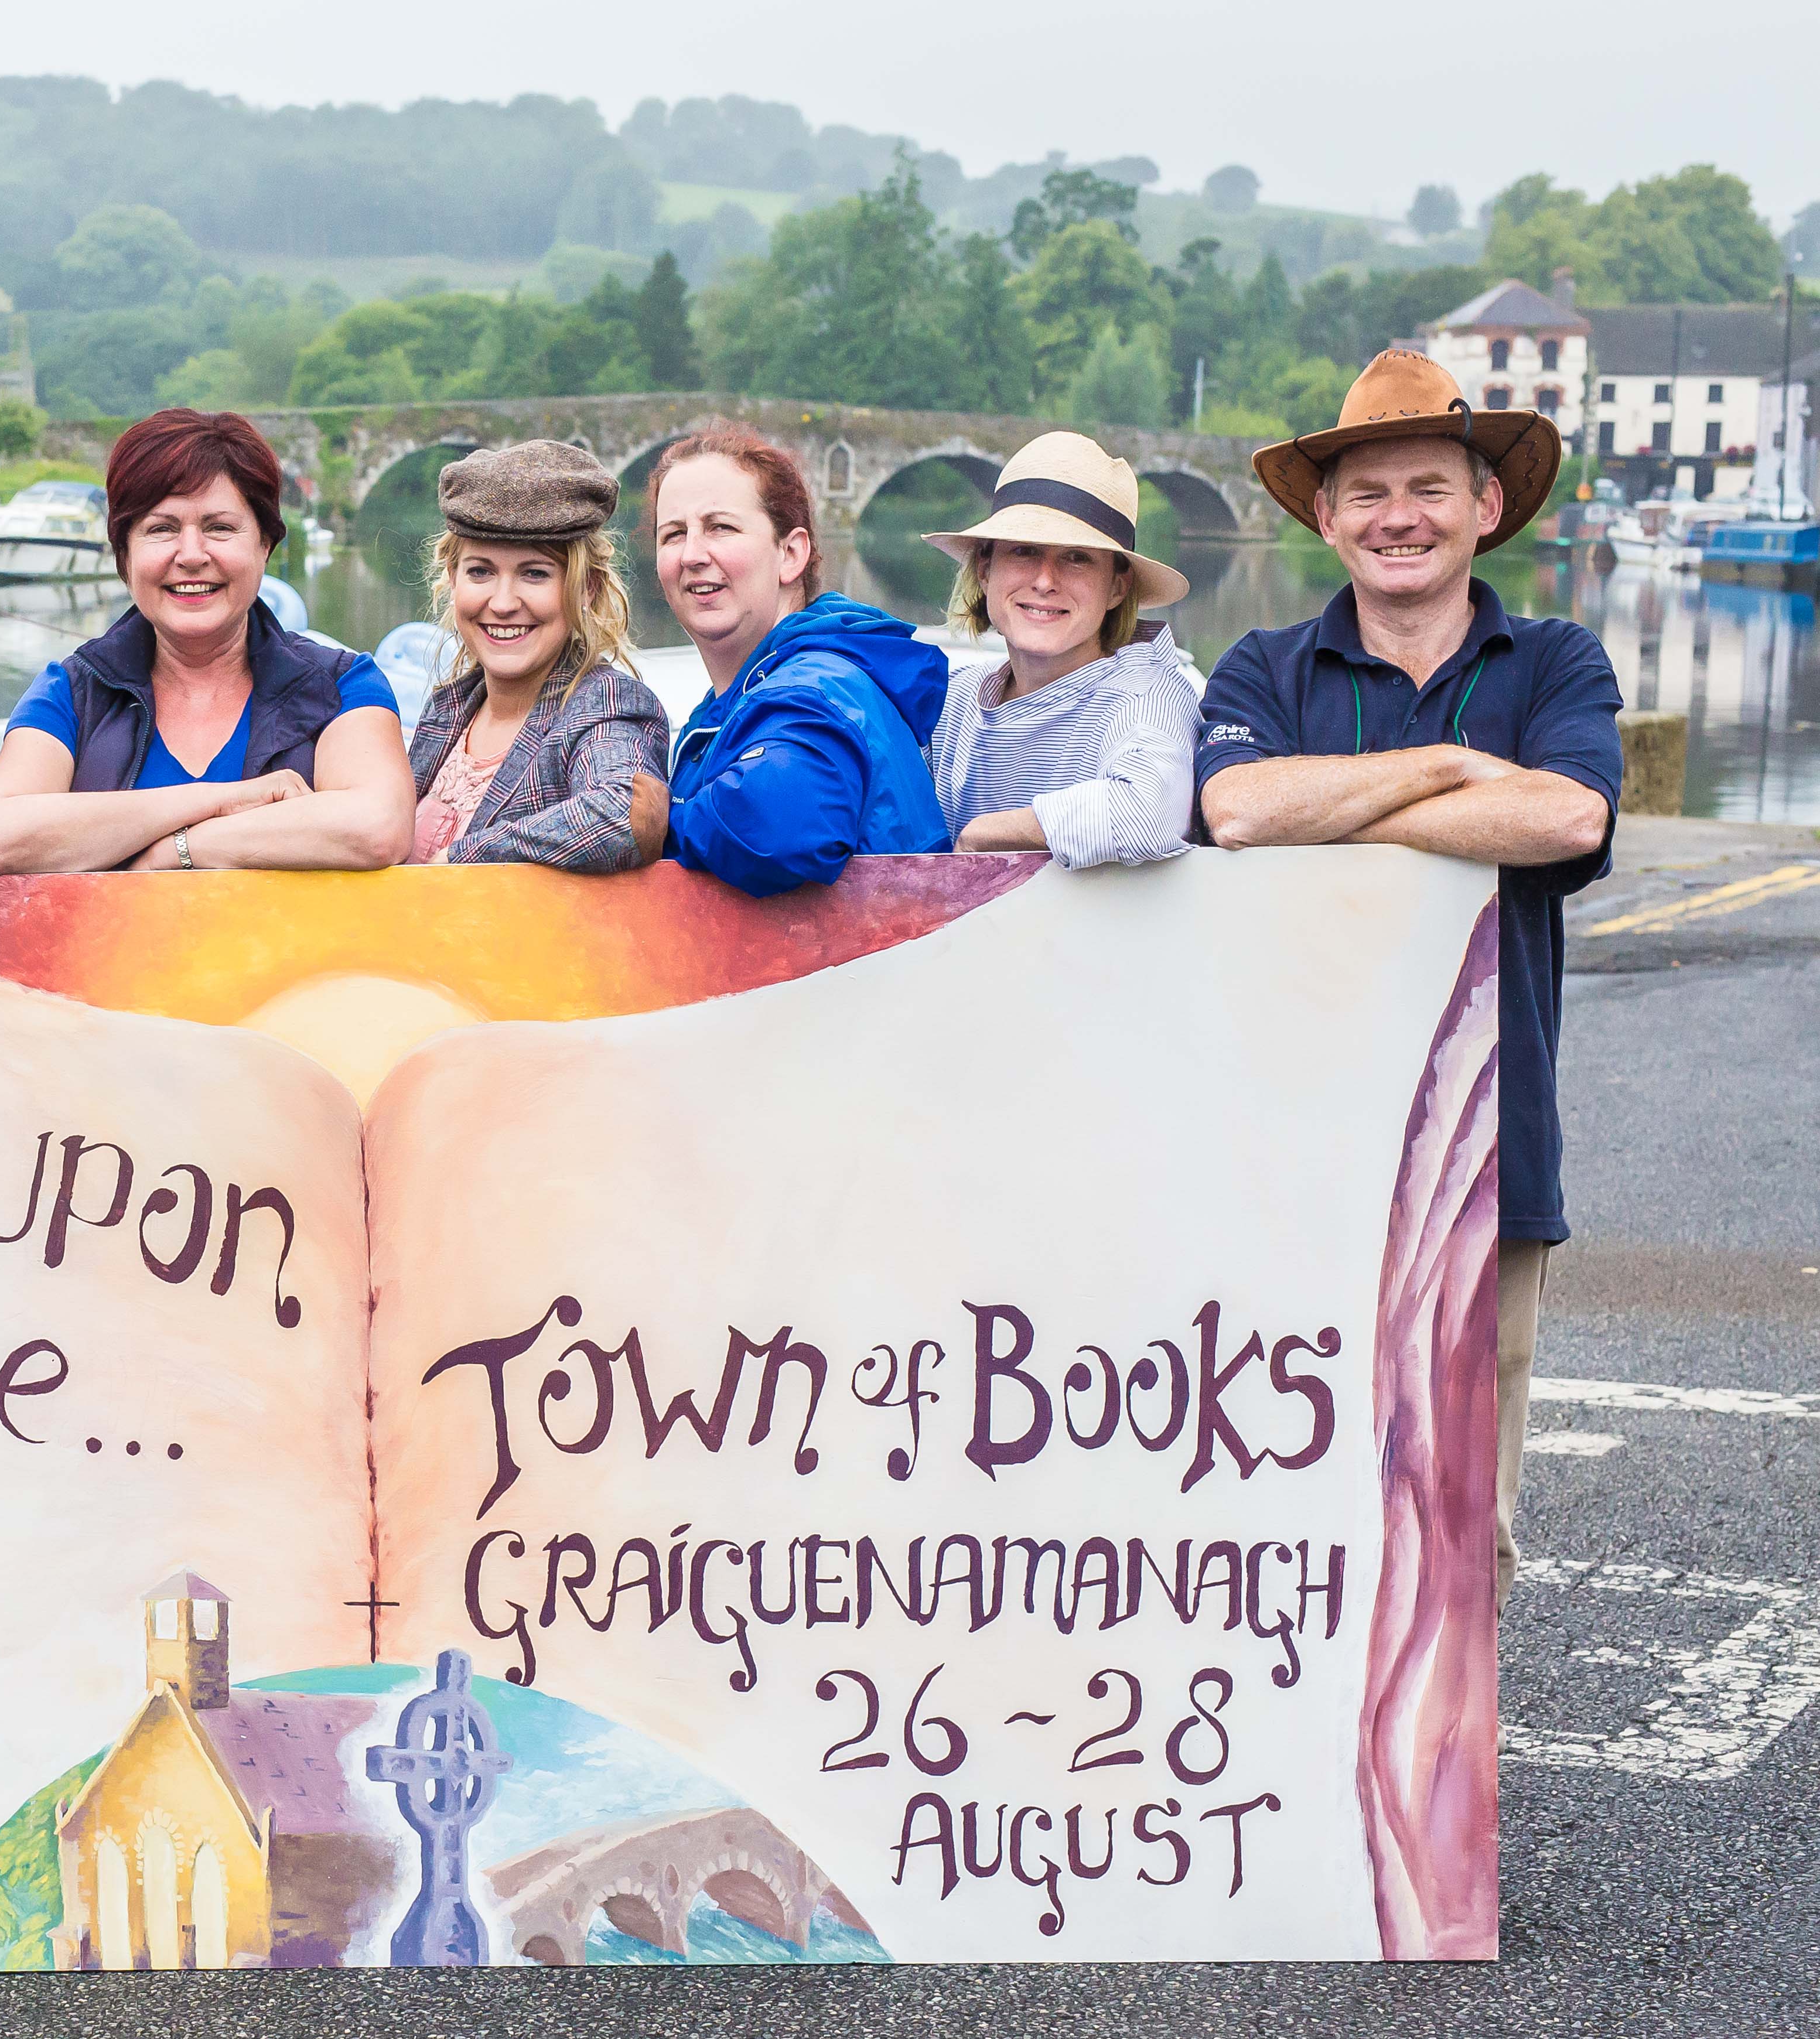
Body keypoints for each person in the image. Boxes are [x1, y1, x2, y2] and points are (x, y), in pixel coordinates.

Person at [1195, 349, 1622, 1610]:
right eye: (1369, 493)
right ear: (1325, 519)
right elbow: (1237, 811)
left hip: (1488, 1153)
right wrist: (1455, 768)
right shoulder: (1262, 668)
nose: (1400, 519)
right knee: (1275, 1514)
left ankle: (1441, 1744)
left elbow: (1568, 819)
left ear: (1486, 506)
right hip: (1284, 1152)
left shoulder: (1557, 662)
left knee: (1459, 1519)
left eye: (1429, 488)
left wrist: (1342, 804)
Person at [0, 408, 412, 873]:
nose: (193, 555)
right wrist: (219, 800)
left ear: (264, 546)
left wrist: (179, 850)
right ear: (124, 557)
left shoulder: (342, 685)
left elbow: (377, 827)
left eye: (220, 528)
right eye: (162, 529)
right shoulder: (73, 693)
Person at [648, 424, 950, 894]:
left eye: (721, 527)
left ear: (790, 554)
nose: (691, 554)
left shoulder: (817, 687)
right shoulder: (741, 697)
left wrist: (655, 820)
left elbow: (780, 825)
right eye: (673, 534)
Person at [920, 431, 1203, 866]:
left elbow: (1149, 813)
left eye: (1077, 557)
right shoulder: (951, 699)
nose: (1045, 581)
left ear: (1117, 587)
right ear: (986, 569)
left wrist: (982, 835)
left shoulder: (1149, 696)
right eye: (1025, 550)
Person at [404, 440, 668, 870]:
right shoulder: (448, 708)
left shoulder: (606, 707)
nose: (503, 603)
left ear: (587, 588)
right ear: (453, 580)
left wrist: (462, 859)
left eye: (534, 574)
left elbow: (625, 814)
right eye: (480, 572)